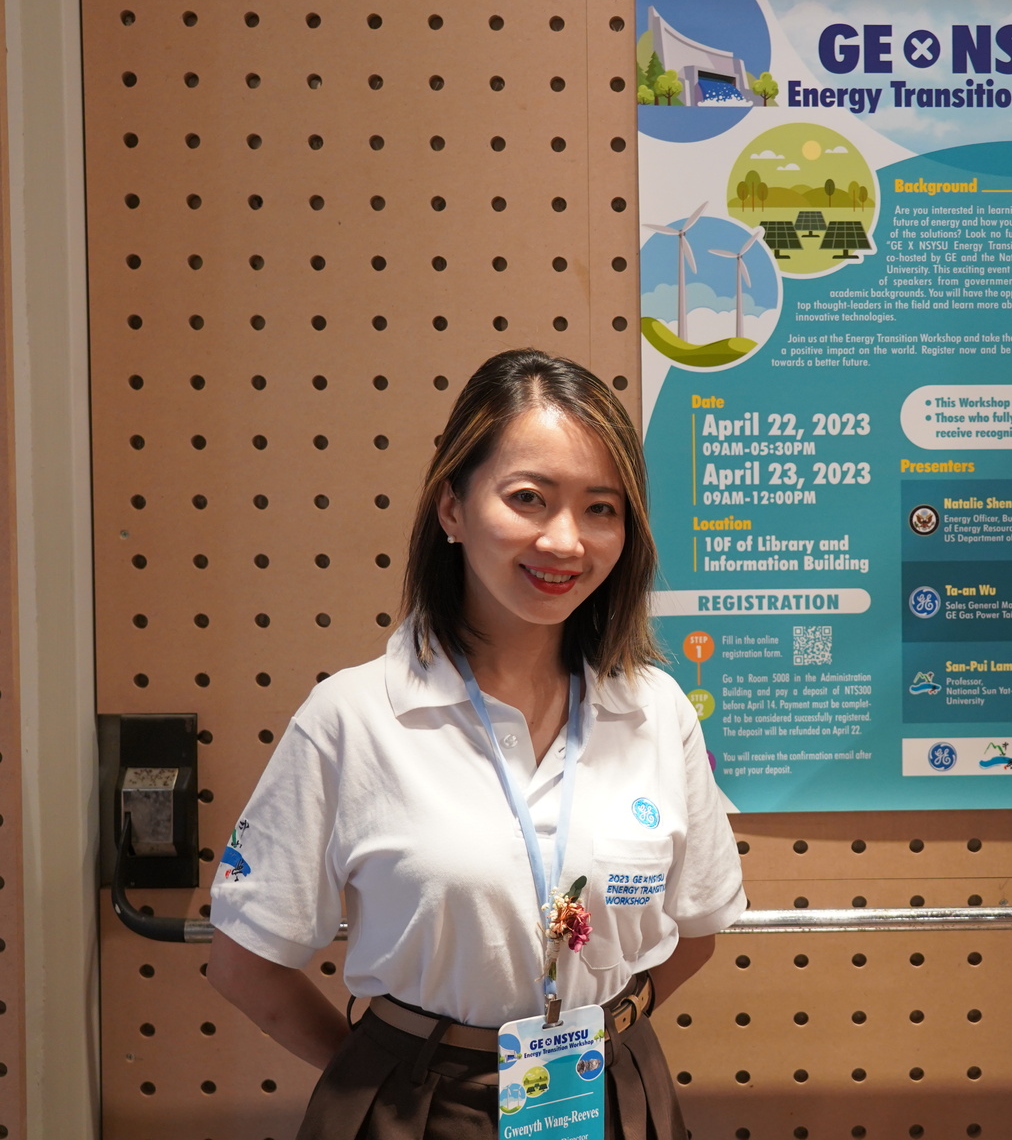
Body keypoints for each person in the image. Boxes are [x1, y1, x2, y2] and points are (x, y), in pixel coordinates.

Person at [207, 348, 746, 1140]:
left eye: (602, 508)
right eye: (528, 498)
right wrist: (381, 1074)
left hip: (611, 1090)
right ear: (452, 508)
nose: (565, 540)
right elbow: (245, 961)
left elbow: (697, 928)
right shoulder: (352, 717)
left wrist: (600, 1038)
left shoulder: (657, 709)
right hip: (417, 1099)